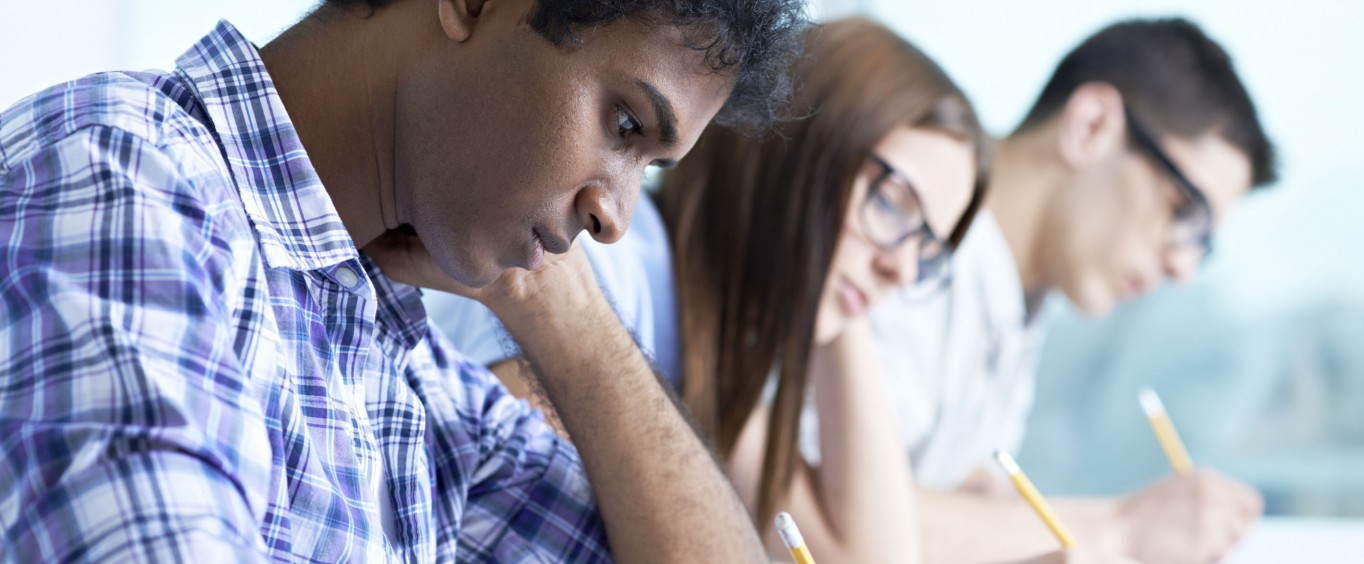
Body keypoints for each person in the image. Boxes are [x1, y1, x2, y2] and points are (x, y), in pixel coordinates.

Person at [0, 0, 811, 561]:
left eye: (651, 168)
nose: (615, 219)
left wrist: (570, 321)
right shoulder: (122, 176)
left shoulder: (398, 370)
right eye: (625, 124)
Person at [431, 18, 1135, 564]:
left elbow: (875, 553)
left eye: (927, 250)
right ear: (799, 148)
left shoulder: (725, 344)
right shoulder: (615, 259)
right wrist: (827, 239)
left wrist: (841, 281)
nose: (901, 269)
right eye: (894, 203)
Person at [839, 18, 1279, 564]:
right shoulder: (896, 257)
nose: (1183, 267)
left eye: (1202, 243)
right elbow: (822, 514)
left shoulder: (1022, 299)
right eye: (1183, 211)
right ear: (1091, 126)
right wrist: (1123, 528)